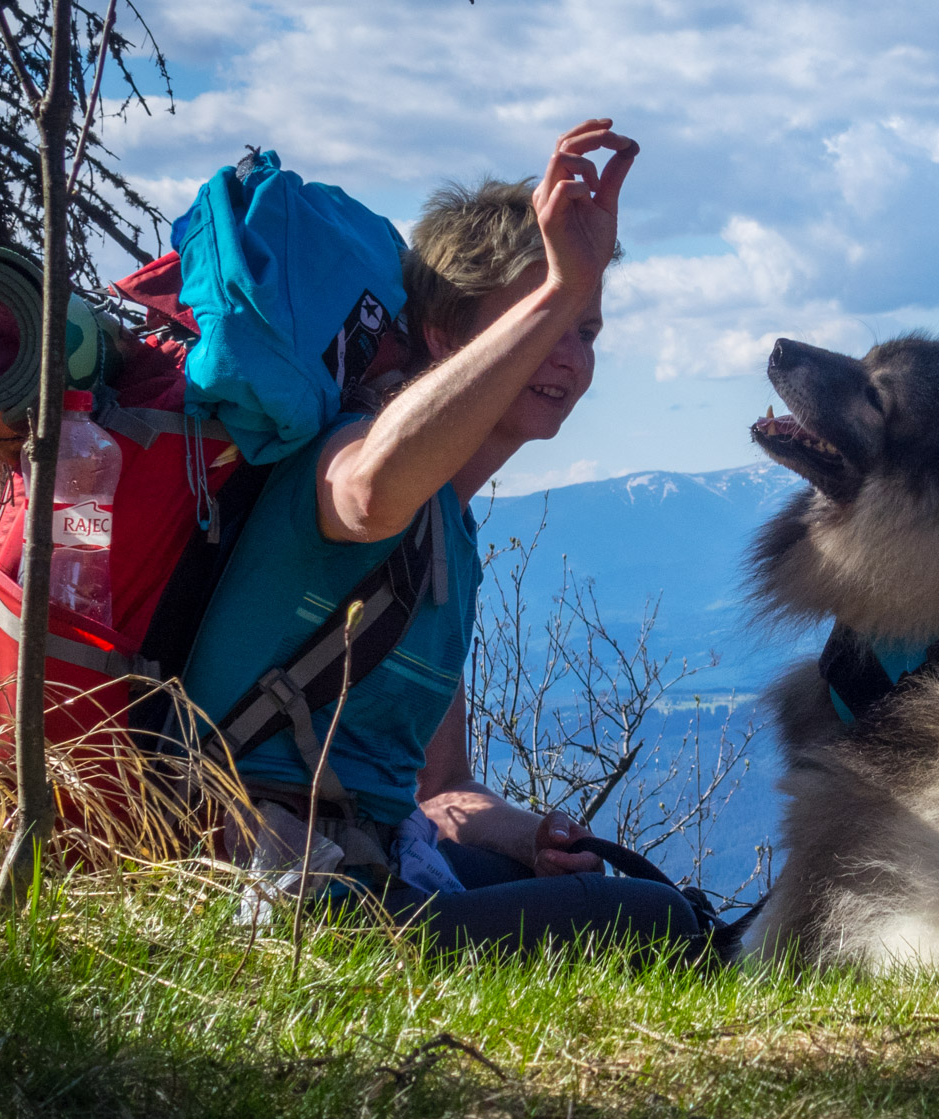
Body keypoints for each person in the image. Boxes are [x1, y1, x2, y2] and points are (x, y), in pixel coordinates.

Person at [180, 120, 701, 952]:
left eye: (586, 328)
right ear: (448, 337)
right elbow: (369, 488)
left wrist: (527, 837)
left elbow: (441, 789)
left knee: (626, 895)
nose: (568, 354)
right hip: (268, 878)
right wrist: (563, 285)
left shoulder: (451, 539)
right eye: (540, 316)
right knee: (658, 923)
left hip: (369, 858)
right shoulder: (349, 449)